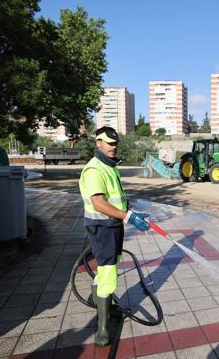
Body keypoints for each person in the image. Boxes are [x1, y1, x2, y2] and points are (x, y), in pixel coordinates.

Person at [78, 126, 151, 346]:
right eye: (109, 143)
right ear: (98, 143)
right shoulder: (94, 170)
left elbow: (115, 198)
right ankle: (102, 328)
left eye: (115, 143)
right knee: (109, 273)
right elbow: (98, 203)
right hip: (102, 227)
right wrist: (128, 217)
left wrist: (129, 210)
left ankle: (97, 295)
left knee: (109, 266)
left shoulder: (110, 167)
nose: (113, 147)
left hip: (113, 225)